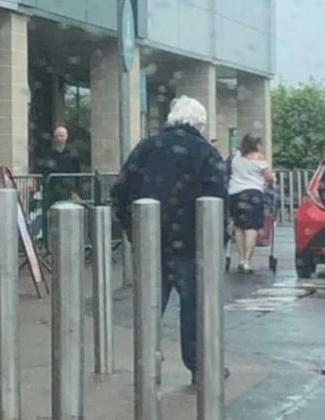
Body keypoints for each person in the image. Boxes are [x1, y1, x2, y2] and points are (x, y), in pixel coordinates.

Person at [112, 95, 227, 385]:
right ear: (199, 123)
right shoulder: (206, 153)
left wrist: (133, 230)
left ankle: (147, 365)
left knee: (149, 307)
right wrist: (217, 241)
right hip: (191, 243)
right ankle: (200, 367)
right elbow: (218, 200)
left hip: (151, 241)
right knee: (195, 309)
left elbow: (120, 191)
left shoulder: (146, 148)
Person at [227, 134, 275, 273]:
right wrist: (270, 182)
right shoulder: (258, 157)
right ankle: (247, 261)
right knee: (251, 228)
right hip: (253, 194)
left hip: (235, 193)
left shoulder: (236, 156)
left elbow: (229, 170)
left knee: (239, 227)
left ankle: (241, 258)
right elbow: (269, 177)